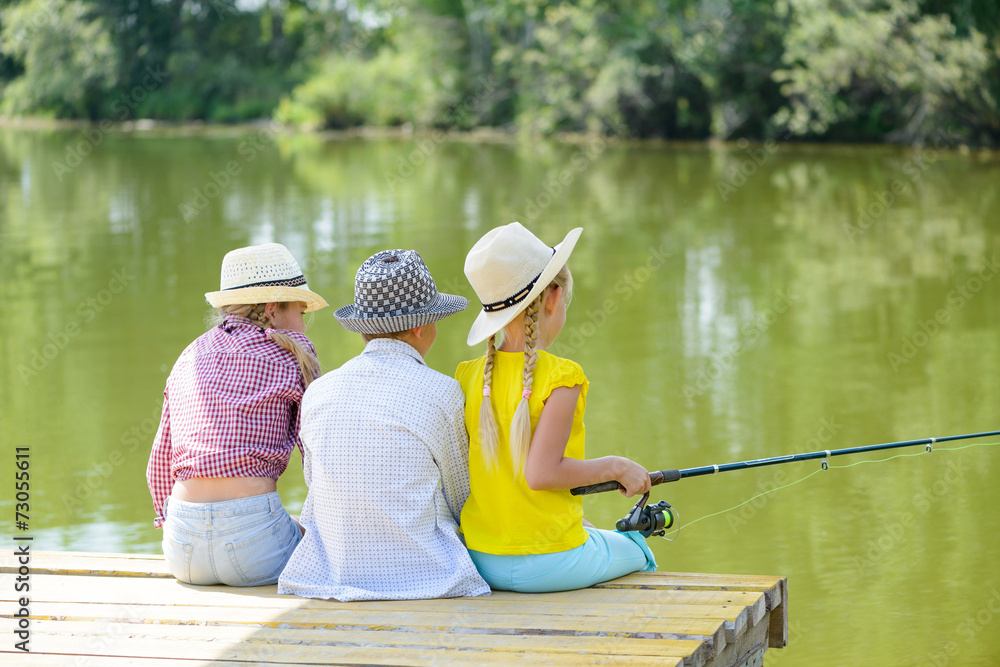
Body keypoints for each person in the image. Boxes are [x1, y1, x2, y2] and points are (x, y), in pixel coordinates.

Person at [455, 222, 657, 593]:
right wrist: (617, 466)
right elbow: (541, 474)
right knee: (639, 550)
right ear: (553, 297)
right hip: (548, 565)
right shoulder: (563, 377)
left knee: (591, 535)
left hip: (481, 558)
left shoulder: (468, 377)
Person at [277, 249, 490, 601]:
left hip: (331, 574)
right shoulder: (442, 393)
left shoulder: (318, 392)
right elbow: (462, 497)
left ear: (364, 329)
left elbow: (316, 487)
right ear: (422, 326)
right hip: (427, 577)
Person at [146, 243, 327, 586]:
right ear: (273, 308)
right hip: (254, 548)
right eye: (302, 312)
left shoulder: (190, 354)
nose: (304, 325)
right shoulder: (292, 350)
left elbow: (158, 462)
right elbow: (320, 460)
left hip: (181, 551)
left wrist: (171, 524)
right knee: (315, 541)